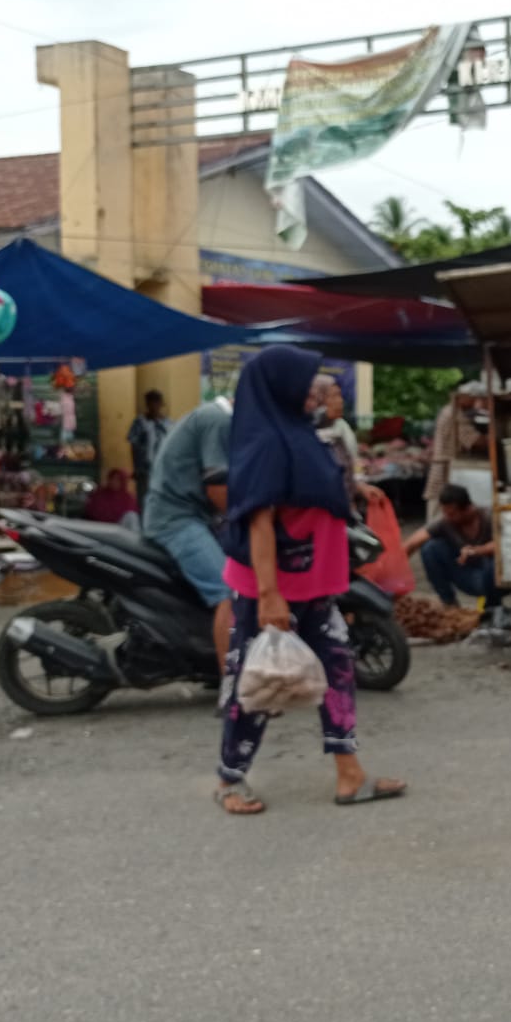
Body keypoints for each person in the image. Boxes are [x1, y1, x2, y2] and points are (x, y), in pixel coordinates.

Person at [214, 345, 404, 815]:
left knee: (338, 670)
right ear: (280, 387)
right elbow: (260, 522)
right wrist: (269, 596)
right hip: (272, 586)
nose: (314, 390)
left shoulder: (300, 433)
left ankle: (349, 773)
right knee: (257, 681)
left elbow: (320, 494)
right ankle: (229, 779)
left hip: (315, 584)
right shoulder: (265, 443)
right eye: (305, 381)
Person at [144, 397, 235, 675]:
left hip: (195, 516)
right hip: (177, 520)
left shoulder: (216, 416)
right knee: (230, 591)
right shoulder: (219, 419)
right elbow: (217, 488)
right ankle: (232, 682)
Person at [405, 484, 501, 608]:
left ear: (468, 508)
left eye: (452, 514)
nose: (447, 517)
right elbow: (412, 543)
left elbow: (504, 544)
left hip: (493, 578)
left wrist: (478, 551)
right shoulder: (446, 521)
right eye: (445, 512)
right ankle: (449, 603)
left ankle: (493, 607)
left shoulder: (488, 516)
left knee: (492, 560)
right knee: (430, 548)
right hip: (466, 574)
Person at [314, 375, 384, 518]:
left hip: (345, 505)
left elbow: (353, 462)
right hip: (319, 509)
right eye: (332, 396)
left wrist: (360, 486)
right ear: (317, 399)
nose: (340, 401)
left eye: (339, 395)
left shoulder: (342, 428)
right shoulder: (306, 433)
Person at [423, 384, 488, 519]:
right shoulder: (455, 414)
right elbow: (474, 440)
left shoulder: (449, 410)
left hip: (442, 466)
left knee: (439, 511)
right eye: (475, 399)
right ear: (466, 397)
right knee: (439, 516)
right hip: (444, 468)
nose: (476, 404)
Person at [127, 390, 170, 514]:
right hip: (144, 470)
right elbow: (133, 446)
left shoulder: (167, 423)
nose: (154, 406)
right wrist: (136, 468)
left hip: (163, 470)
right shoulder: (140, 423)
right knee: (145, 501)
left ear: (161, 404)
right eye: (151, 403)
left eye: (157, 403)